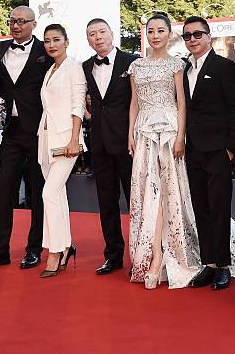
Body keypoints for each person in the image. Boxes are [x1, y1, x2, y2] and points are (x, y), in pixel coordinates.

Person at [127, 13, 200, 289]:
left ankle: (162, 258)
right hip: (144, 132)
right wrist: (130, 134)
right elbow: (134, 103)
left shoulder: (176, 65)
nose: (155, 35)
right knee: (148, 191)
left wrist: (181, 136)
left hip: (169, 132)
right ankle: (153, 255)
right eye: (151, 31)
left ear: (170, 34)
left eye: (160, 30)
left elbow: (182, 103)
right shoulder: (136, 66)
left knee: (168, 191)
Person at [0, 6, 53, 271]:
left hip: (38, 131)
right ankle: (0, 251)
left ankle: (34, 250)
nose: (15, 25)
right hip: (11, 131)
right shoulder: (0, 50)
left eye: (21, 21)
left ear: (34, 24)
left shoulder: (45, 51)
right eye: (12, 21)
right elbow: (1, 84)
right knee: (3, 191)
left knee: (37, 193)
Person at [183, 16, 235, 290]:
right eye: (187, 36)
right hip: (192, 148)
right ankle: (208, 263)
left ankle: (223, 265)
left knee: (219, 208)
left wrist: (231, 149)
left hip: (219, 149)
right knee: (201, 208)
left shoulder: (223, 67)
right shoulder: (183, 69)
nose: (193, 39)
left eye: (197, 34)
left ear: (208, 36)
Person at [82, 18, 138, 275]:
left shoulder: (133, 62)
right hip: (100, 144)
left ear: (112, 33)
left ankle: (140, 254)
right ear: (88, 39)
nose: (98, 37)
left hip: (129, 143)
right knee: (106, 202)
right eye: (92, 34)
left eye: (102, 32)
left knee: (135, 201)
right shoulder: (84, 67)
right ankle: (112, 255)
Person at [37, 24, 86, 277]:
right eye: (47, 41)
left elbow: (78, 105)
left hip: (67, 141)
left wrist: (74, 140)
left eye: (57, 39)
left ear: (67, 41)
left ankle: (55, 251)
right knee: (58, 196)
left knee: (49, 193)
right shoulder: (50, 70)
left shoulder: (73, 67)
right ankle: (66, 245)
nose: (52, 44)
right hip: (45, 140)